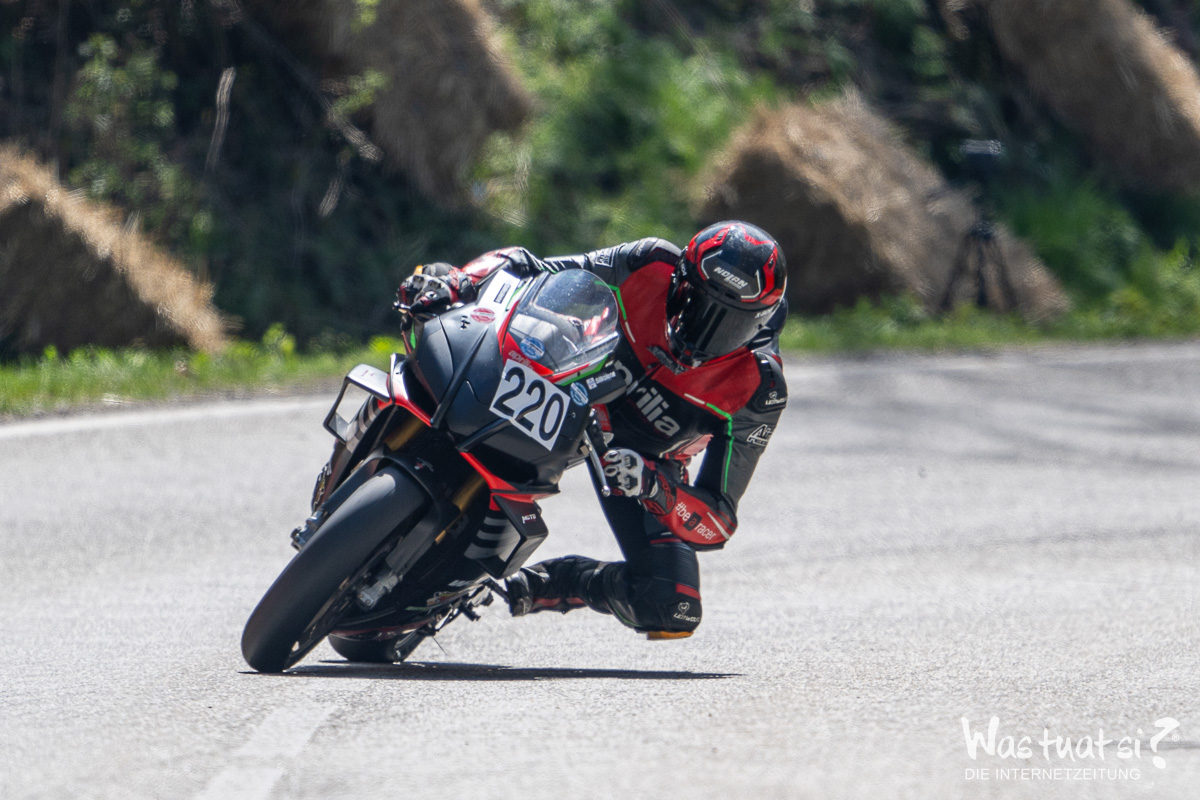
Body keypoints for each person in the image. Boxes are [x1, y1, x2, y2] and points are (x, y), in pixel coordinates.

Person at [395, 221, 788, 639]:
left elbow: (719, 519)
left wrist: (654, 487)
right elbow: (531, 267)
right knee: (449, 311)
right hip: (574, 379)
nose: (703, 330)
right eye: (695, 303)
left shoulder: (759, 388)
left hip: (638, 460)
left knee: (673, 606)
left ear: (759, 322)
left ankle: (551, 583)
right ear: (679, 279)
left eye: (729, 324)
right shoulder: (649, 261)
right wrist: (461, 280)